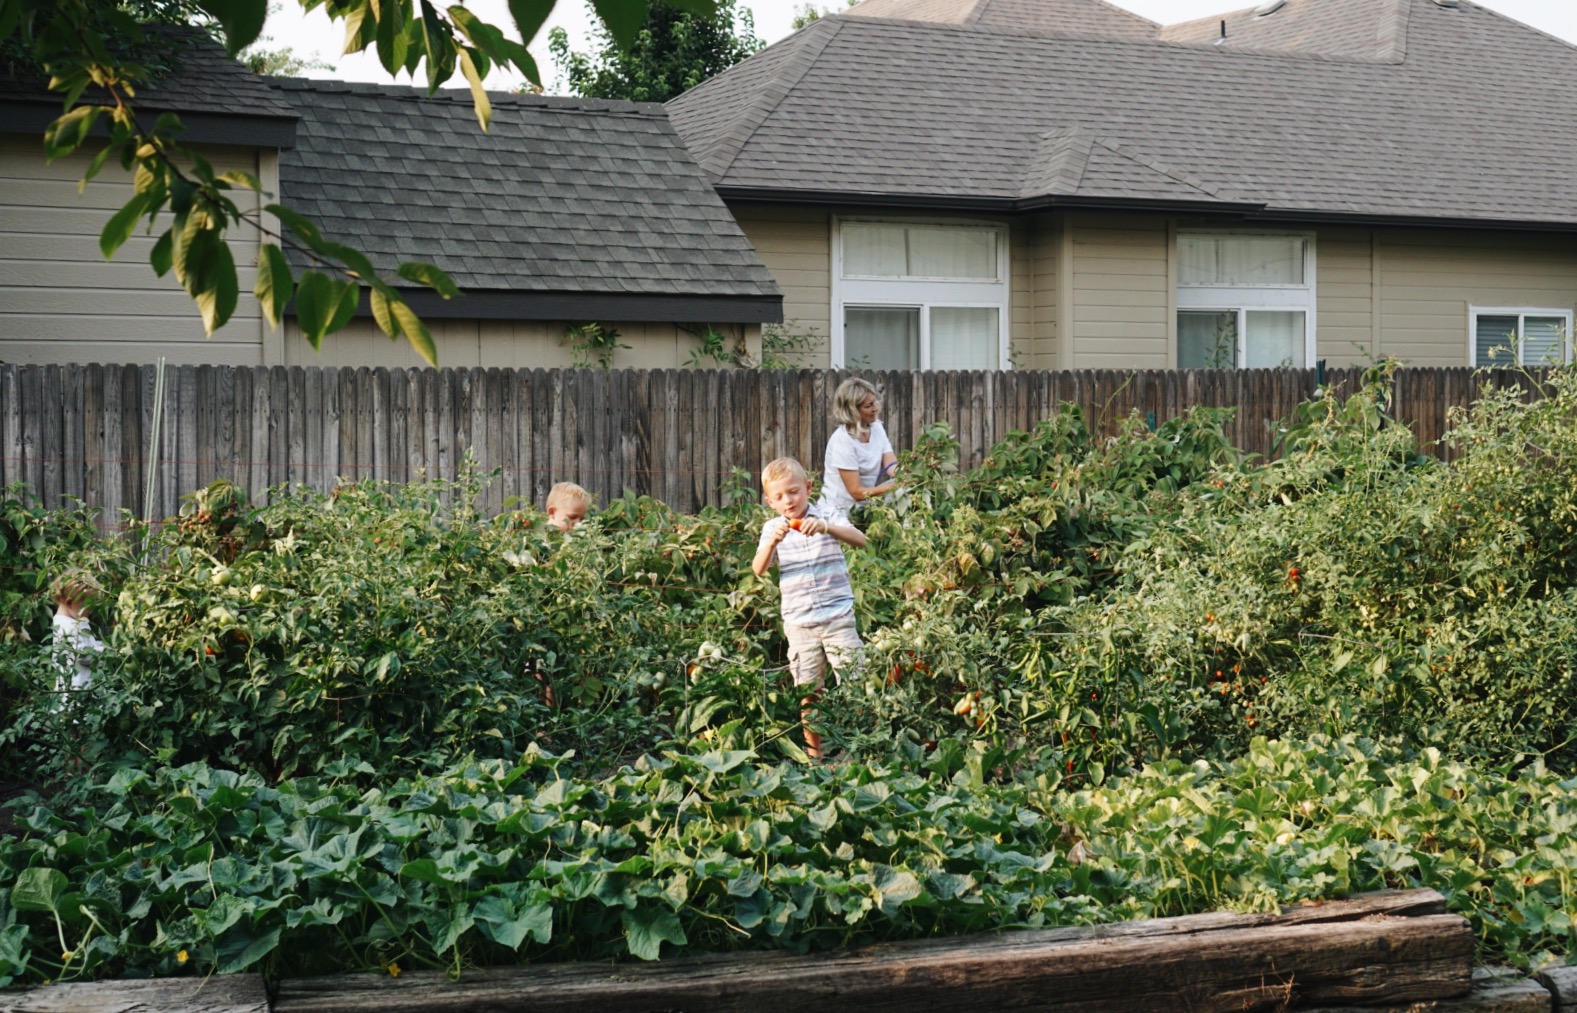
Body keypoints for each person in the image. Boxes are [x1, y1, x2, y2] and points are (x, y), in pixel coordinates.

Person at [752, 456, 867, 761]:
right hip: (800, 623)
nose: (787, 500)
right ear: (769, 501)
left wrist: (827, 527)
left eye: (793, 492)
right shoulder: (773, 528)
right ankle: (814, 757)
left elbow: (862, 540)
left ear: (808, 487)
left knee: (855, 683)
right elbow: (758, 569)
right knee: (809, 692)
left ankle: (858, 749)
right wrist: (771, 545)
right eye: (778, 496)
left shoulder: (827, 514)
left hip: (838, 617)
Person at [819, 377, 898, 526]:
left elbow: (890, 465)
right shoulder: (843, 441)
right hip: (839, 513)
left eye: (875, 402)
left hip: (865, 508)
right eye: (868, 406)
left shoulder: (876, 428)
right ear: (852, 411)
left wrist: (906, 475)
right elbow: (856, 492)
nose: (875, 408)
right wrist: (893, 486)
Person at [49, 568, 104, 698]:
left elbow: (88, 644)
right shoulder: (65, 625)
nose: (90, 611)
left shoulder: (76, 620)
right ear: (69, 602)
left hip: (85, 687)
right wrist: (107, 651)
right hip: (75, 692)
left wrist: (100, 646)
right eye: (87, 606)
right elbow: (83, 654)